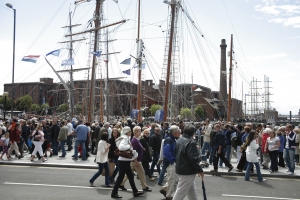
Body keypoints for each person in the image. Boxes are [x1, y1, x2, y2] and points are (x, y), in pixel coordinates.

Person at [172, 124, 204, 200]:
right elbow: (192, 159)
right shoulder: (191, 142)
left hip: (181, 168)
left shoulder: (179, 140)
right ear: (193, 133)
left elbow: (175, 153)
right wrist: (199, 170)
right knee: (180, 193)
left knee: (192, 191)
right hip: (188, 171)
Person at [111, 126, 144, 198]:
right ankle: (114, 193)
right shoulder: (125, 138)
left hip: (125, 160)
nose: (131, 132)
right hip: (124, 160)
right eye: (129, 131)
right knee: (121, 177)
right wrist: (129, 146)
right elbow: (121, 147)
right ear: (127, 132)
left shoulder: (125, 137)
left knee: (130, 176)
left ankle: (135, 191)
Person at [119, 126, 152, 192]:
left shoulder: (136, 139)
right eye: (139, 131)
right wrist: (135, 160)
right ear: (136, 132)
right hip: (136, 160)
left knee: (129, 174)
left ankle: (121, 184)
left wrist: (142, 148)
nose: (140, 132)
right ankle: (144, 187)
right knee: (141, 173)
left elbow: (137, 147)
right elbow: (133, 151)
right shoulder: (134, 140)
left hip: (135, 160)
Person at [160, 125, 181, 200]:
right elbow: (167, 152)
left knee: (173, 178)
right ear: (174, 132)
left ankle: (165, 189)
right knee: (172, 178)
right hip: (170, 162)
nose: (179, 133)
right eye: (178, 132)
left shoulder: (170, 139)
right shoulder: (169, 139)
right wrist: (173, 160)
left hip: (170, 161)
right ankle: (168, 195)